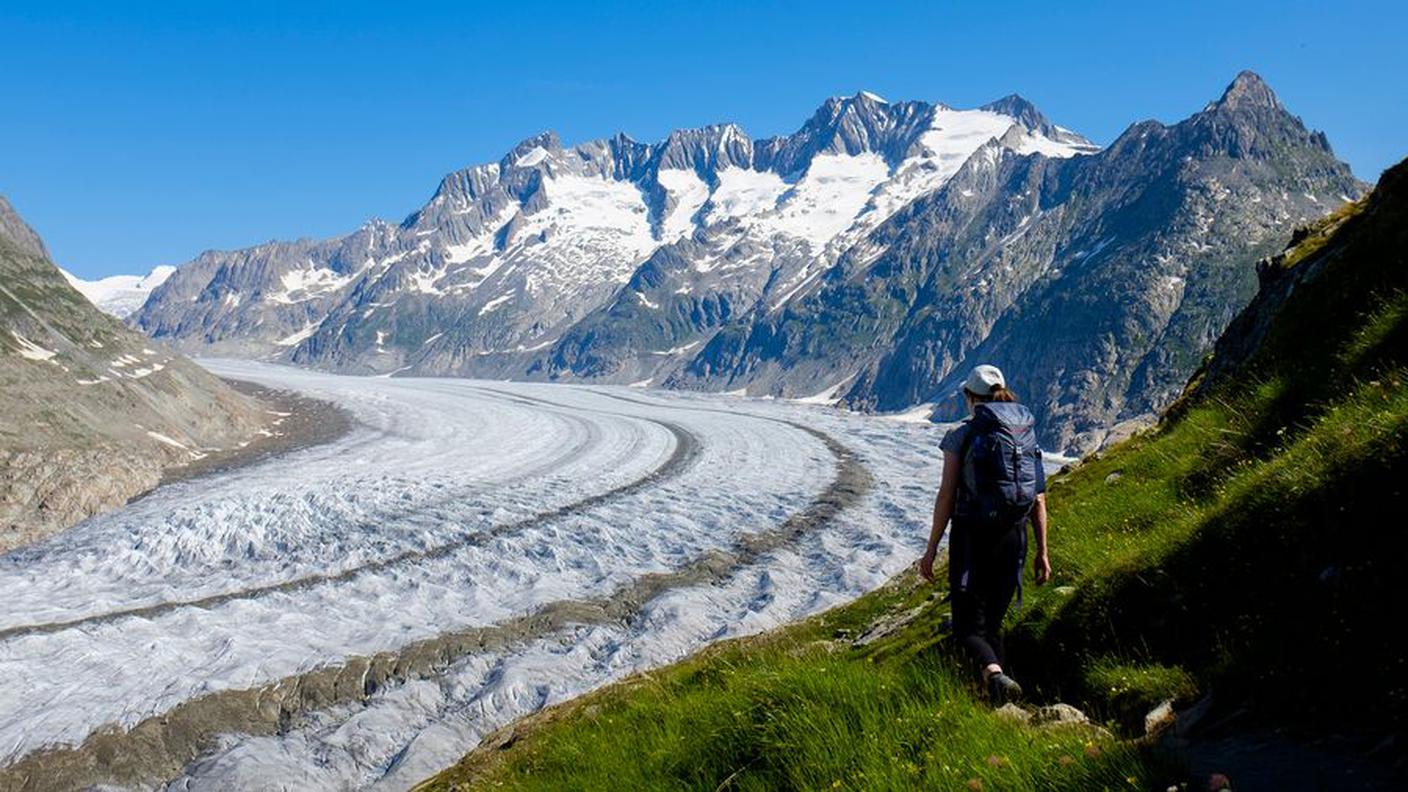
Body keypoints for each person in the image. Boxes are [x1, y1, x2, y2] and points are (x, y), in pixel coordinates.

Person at [919, 364, 1051, 706]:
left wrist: (932, 549)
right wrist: (1043, 552)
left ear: (968, 396)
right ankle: (1000, 701)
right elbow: (1038, 498)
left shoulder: (962, 435)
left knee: (966, 628)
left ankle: (993, 676)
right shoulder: (1024, 432)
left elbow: (946, 495)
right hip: (1015, 538)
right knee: (993, 624)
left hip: (972, 539)